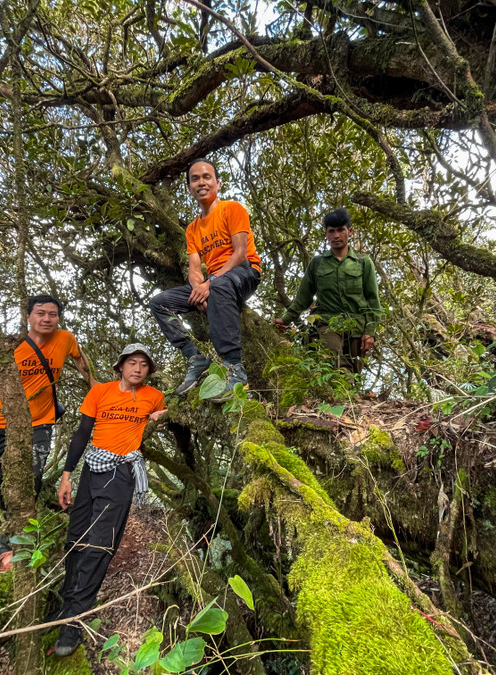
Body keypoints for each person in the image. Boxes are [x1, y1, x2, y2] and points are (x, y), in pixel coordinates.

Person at [0, 294, 96, 572]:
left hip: (40, 424)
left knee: (29, 479)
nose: (47, 319)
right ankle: (10, 531)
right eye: (40, 313)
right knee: (1, 482)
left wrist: (94, 384)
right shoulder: (9, 347)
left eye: (52, 314)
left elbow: (80, 359)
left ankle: (9, 546)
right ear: (28, 316)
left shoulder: (65, 339)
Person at [53, 343, 166, 657]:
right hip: (91, 467)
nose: (138, 369)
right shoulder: (100, 392)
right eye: (132, 362)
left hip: (122, 471)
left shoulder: (154, 396)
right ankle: (66, 604)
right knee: (75, 539)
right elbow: (82, 432)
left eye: (144, 364)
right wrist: (66, 474)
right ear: (120, 366)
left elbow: (164, 418)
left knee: (101, 545)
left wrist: (164, 416)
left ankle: (73, 622)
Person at [148, 158, 261, 400]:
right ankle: (195, 358)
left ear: (217, 183)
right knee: (159, 303)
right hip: (215, 281)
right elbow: (194, 267)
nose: (201, 182)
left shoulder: (232, 209)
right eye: (195, 179)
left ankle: (236, 372)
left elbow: (240, 253)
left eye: (207, 177)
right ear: (189, 188)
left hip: (244, 272)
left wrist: (210, 284)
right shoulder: (192, 229)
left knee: (219, 284)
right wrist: (198, 288)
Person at [273, 208, 382, 374]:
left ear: (350, 232)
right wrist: (287, 319)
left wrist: (369, 332)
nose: (336, 236)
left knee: (354, 373)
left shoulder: (363, 263)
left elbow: (373, 300)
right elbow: (303, 297)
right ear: (326, 234)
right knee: (333, 362)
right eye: (331, 231)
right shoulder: (318, 263)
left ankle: (349, 398)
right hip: (328, 324)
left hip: (357, 327)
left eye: (340, 230)